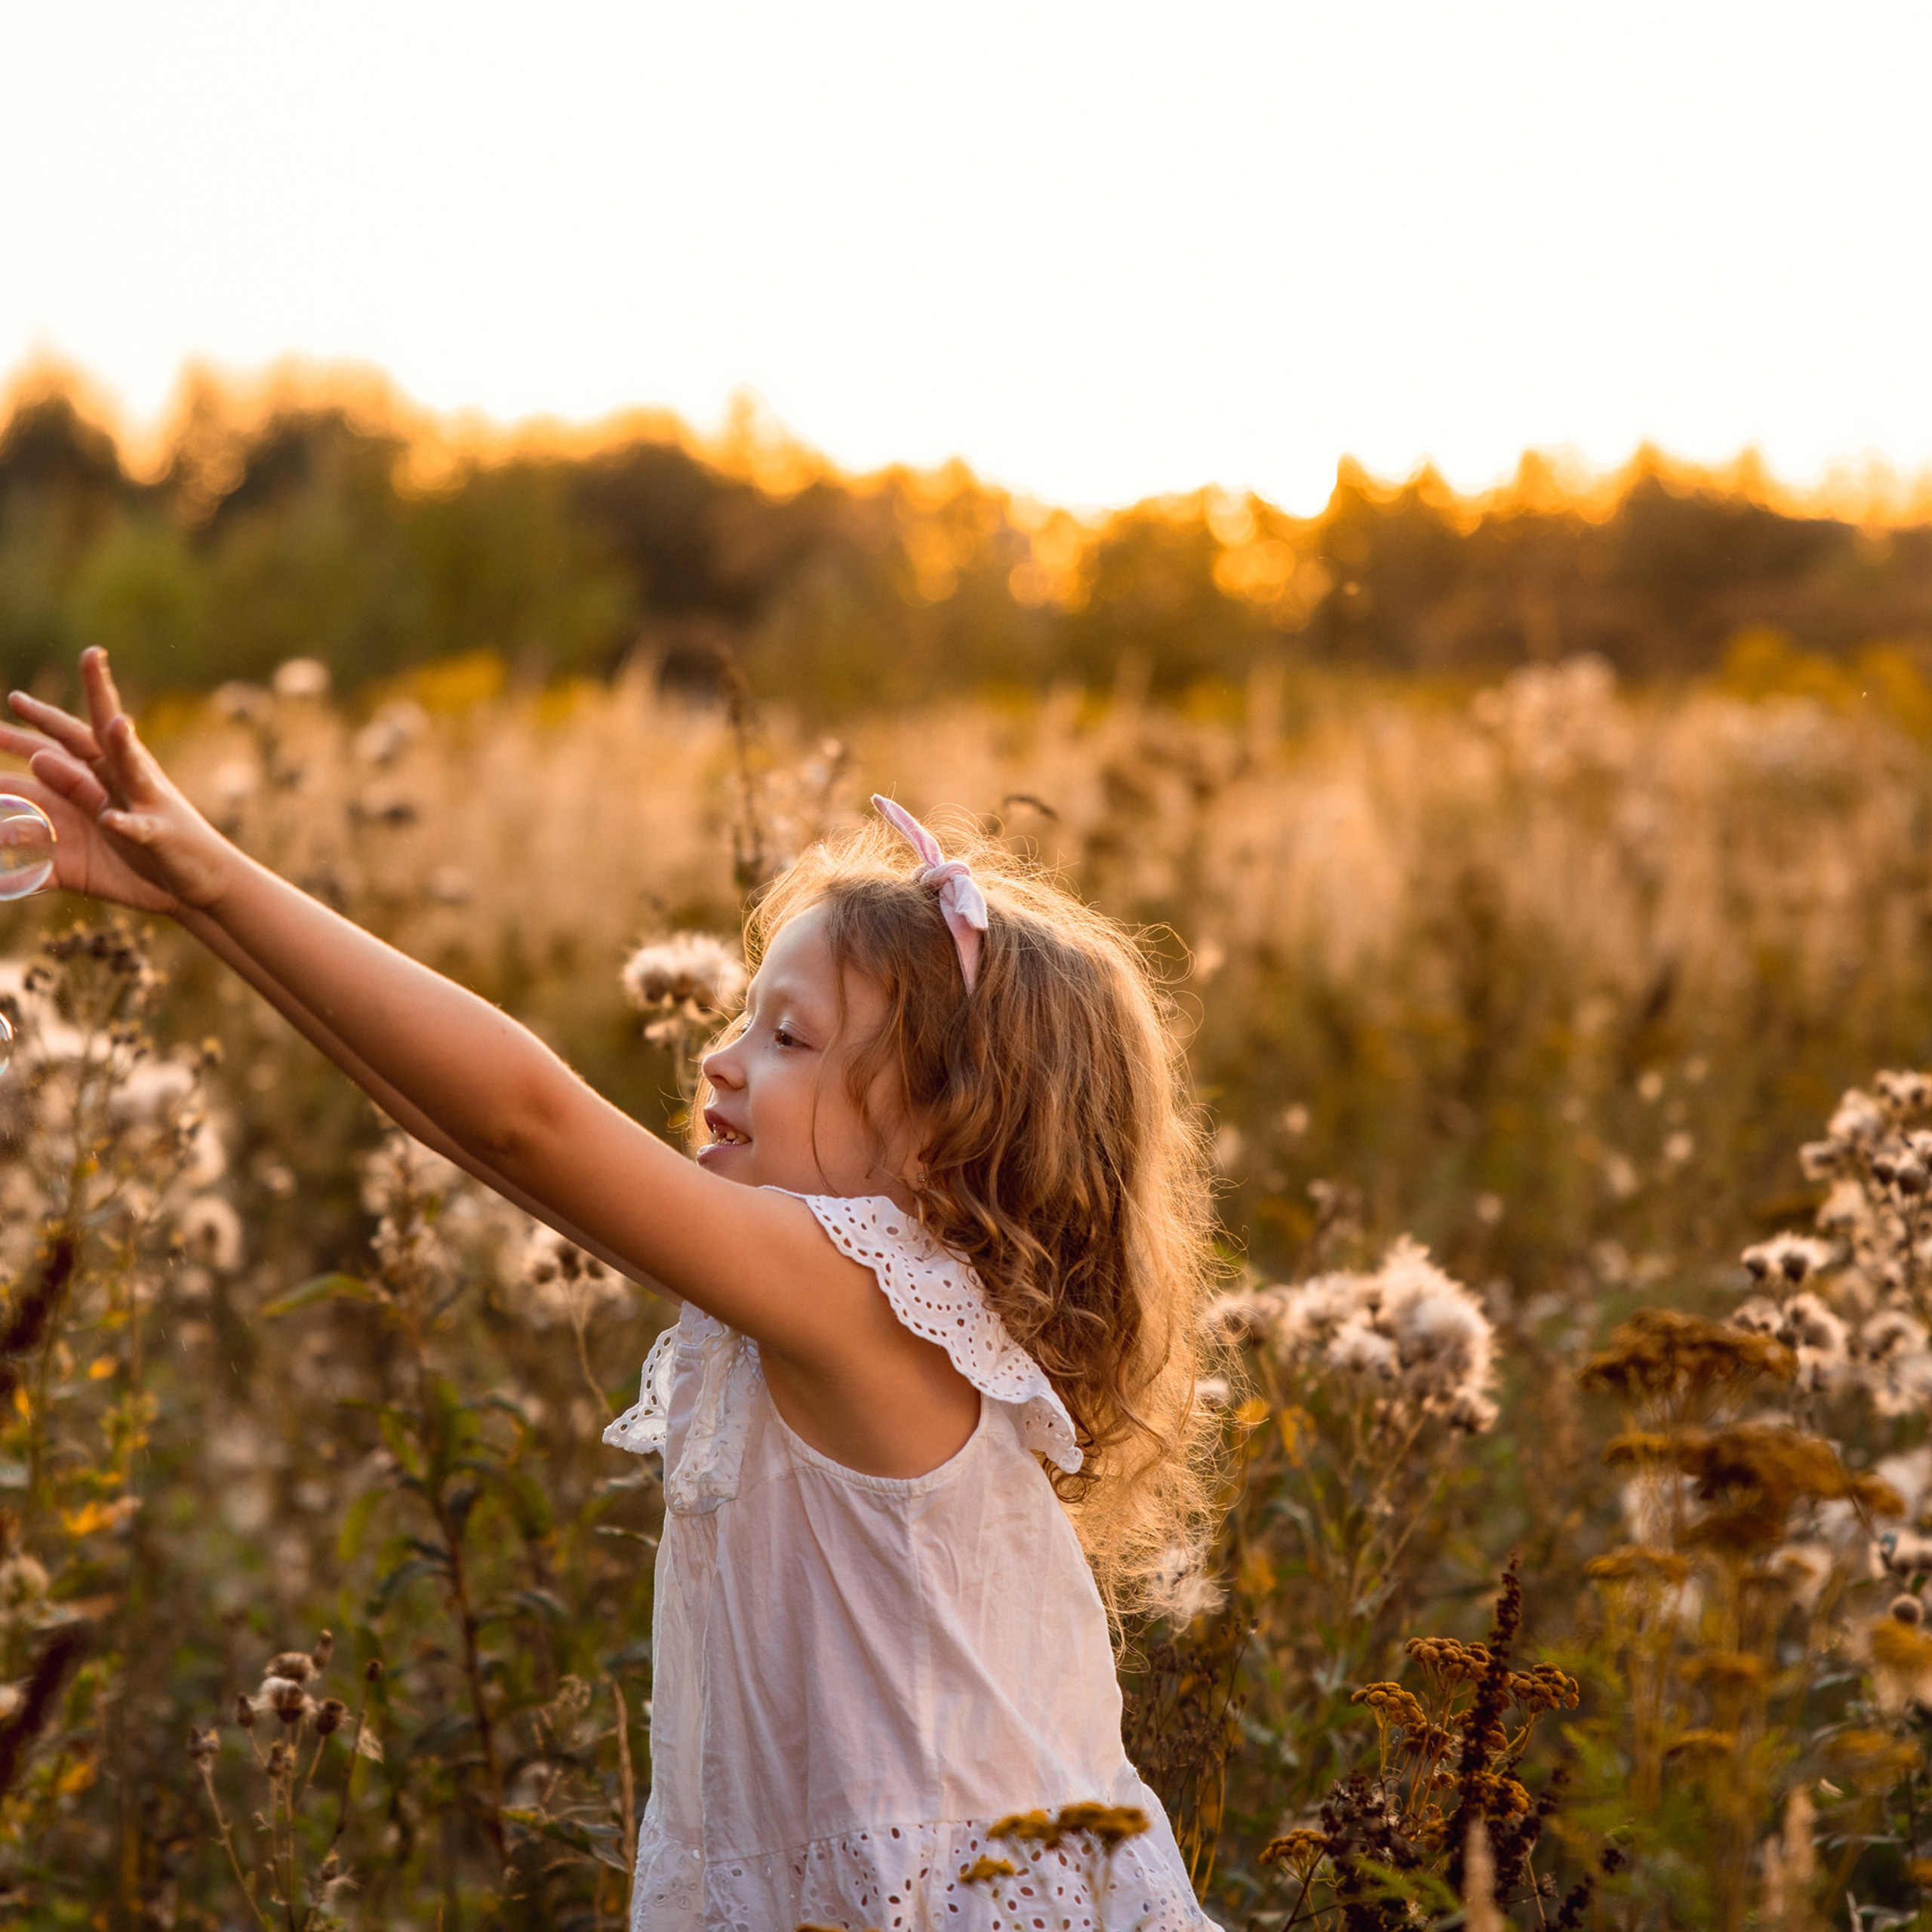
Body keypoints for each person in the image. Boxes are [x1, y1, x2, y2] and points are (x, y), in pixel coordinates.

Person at [2, 648, 1227, 1932]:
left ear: (939, 1137)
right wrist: (193, 908)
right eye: (747, 1021)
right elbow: (469, 1133)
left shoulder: (863, 1305)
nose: (721, 1058)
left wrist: (219, 871)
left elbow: (526, 1121)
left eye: (789, 1039)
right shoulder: (850, 1309)